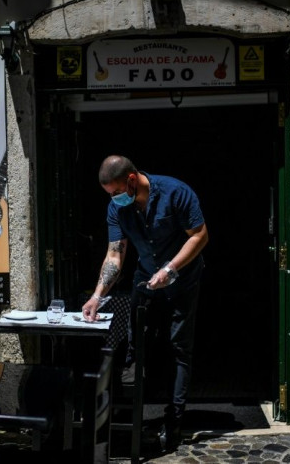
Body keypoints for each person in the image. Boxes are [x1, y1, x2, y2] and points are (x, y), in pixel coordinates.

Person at [82, 155, 209, 451]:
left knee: (179, 346)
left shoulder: (176, 192)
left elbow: (200, 236)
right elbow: (115, 254)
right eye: (108, 195)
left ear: (131, 180)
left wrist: (170, 269)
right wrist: (97, 295)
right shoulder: (117, 207)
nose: (113, 200)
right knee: (136, 344)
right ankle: (132, 417)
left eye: (115, 192)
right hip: (145, 280)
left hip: (183, 278)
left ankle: (174, 421)